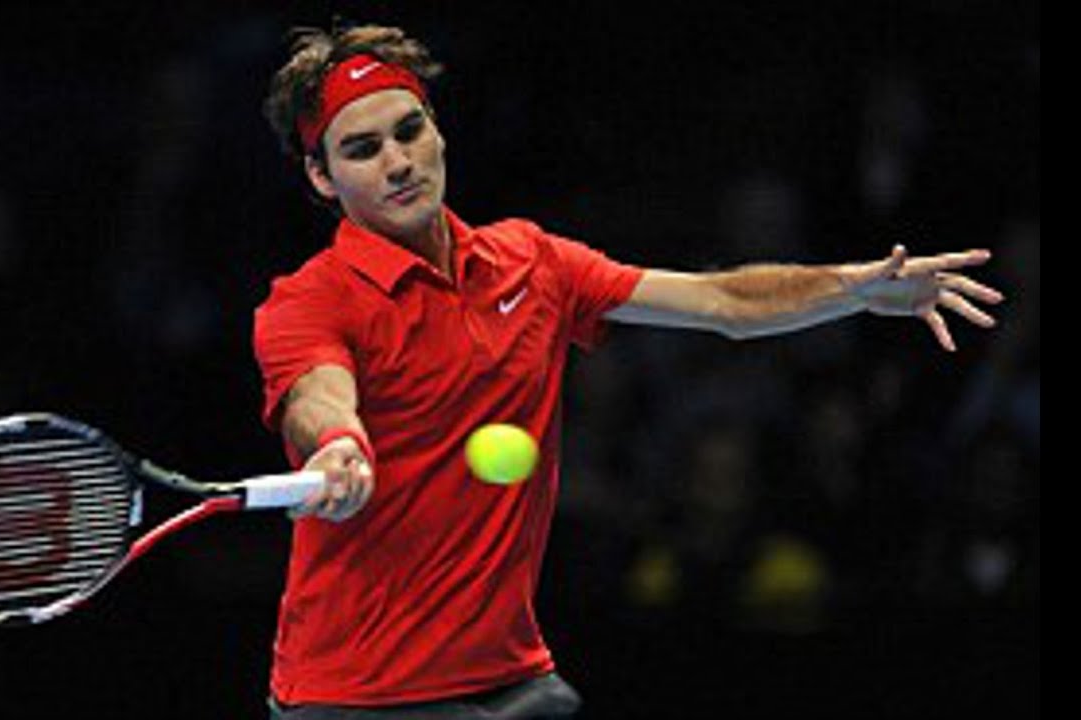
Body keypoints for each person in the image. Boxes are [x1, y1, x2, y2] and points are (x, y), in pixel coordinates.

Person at [252, 23, 1002, 719]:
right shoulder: (309, 300)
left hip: (507, 678)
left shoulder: (532, 262)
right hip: (356, 695)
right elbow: (318, 394)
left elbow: (721, 302)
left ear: (437, 129)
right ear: (322, 177)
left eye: (410, 130)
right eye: (363, 150)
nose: (398, 162)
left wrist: (853, 290)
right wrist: (338, 445)